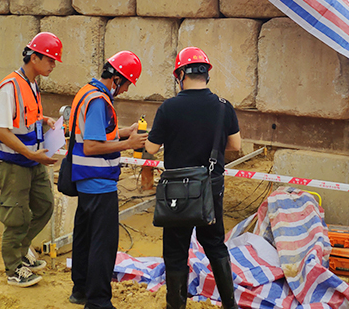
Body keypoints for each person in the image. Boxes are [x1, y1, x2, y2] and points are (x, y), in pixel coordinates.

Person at [145, 47, 242, 309]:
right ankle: (230, 305)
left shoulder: (169, 107)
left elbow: (151, 148)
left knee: (175, 251)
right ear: (206, 75)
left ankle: (175, 306)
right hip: (211, 187)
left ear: (180, 75)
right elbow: (235, 144)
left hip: (177, 192)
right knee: (214, 244)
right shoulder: (223, 107)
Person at [69, 51, 148, 309]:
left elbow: (99, 133)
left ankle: (80, 291)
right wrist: (129, 143)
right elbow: (91, 145)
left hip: (85, 181)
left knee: (84, 238)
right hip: (99, 183)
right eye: (125, 84)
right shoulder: (98, 101)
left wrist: (125, 131)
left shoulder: (88, 92)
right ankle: (98, 302)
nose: (125, 91)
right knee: (103, 244)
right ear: (116, 78)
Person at [0, 32, 63, 287]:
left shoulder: (32, 84)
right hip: (13, 162)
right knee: (16, 216)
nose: (52, 65)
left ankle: (21, 252)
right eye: (49, 60)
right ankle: (13, 268)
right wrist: (30, 153)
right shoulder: (10, 86)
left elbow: (25, 116)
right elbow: (1, 130)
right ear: (34, 57)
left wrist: (44, 120)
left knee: (44, 206)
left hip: (31, 160)